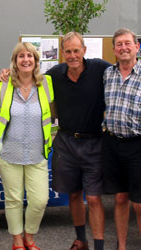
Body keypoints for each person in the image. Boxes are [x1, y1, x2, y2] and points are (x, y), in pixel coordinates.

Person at [47, 32, 111, 250]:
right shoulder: (55, 74)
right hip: (66, 142)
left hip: (94, 142)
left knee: (93, 199)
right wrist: (7, 75)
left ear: (84, 50)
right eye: (68, 51)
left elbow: (123, 73)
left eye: (76, 50)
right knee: (73, 195)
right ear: (62, 53)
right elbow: (29, 80)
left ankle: (99, 246)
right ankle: (81, 240)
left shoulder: (100, 69)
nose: (72, 55)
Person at [0, 42, 54, 250]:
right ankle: (18, 242)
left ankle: (29, 235)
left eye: (30, 56)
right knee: (13, 201)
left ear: (36, 61)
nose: (26, 59)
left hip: (37, 154)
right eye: (21, 56)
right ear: (15, 61)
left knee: (39, 200)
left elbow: (54, 113)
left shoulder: (46, 83)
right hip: (9, 154)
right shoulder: (2, 85)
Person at [102, 28, 141, 250]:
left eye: (128, 43)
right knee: (119, 199)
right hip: (113, 144)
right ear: (114, 50)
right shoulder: (108, 74)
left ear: (137, 47)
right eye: (119, 44)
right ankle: (122, 247)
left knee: (139, 203)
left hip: (137, 145)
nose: (123, 48)